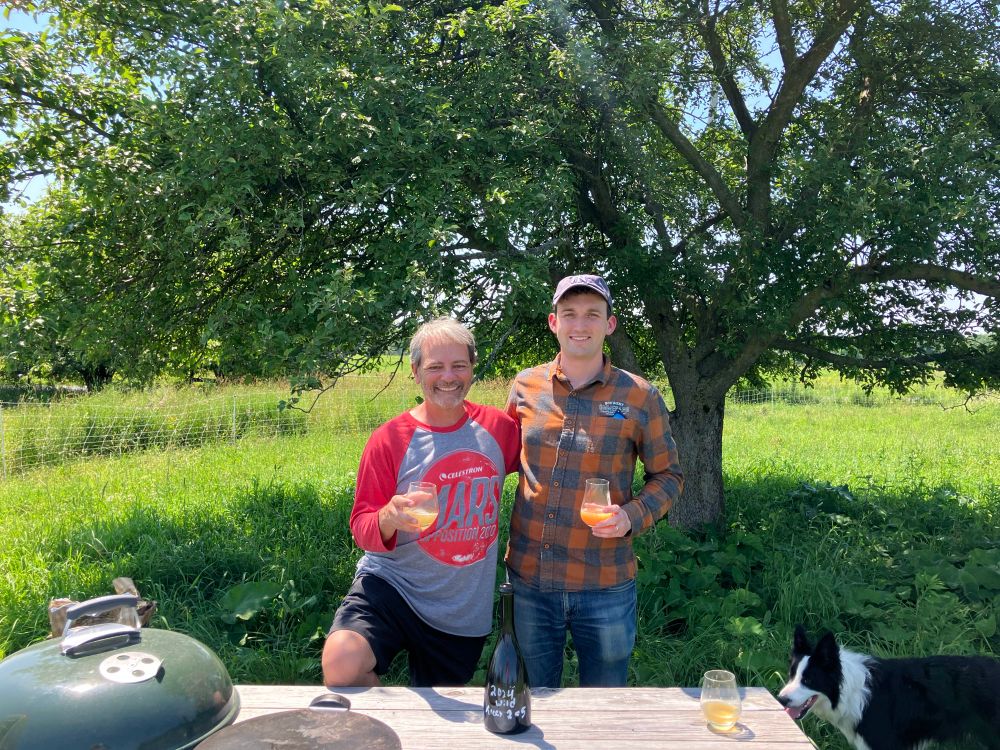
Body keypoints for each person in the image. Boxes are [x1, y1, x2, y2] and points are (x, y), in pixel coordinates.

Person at [504, 273, 684, 688]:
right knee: (534, 699)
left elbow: (669, 476)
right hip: (530, 579)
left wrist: (632, 516)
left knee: (604, 705)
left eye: (591, 314)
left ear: (610, 324)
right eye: (569, 314)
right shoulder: (524, 387)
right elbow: (500, 459)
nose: (579, 325)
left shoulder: (640, 396)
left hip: (604, 582)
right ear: (554, 323)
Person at [322, 318, 520, 687]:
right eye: (435, 367)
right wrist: (388, 516)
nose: (449, 376)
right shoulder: (390, 439)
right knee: (342, 663)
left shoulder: (498, 429)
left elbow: (544, 467)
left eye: (459, 365)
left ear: (472, 368)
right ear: (415, 372)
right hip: (392, 585)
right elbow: (362, 528)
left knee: (441, 712)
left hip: (460, 607)